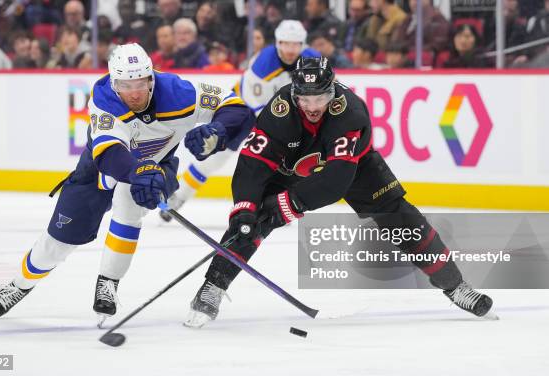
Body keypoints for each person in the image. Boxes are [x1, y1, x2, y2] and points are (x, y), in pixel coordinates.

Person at [183, 57, 495, 328]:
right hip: (290, 165)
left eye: (320, 98)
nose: (312, 107)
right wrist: (246, 206)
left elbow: (335, 181)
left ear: (332, 93)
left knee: (401, 218)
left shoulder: (350, 113)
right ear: (294, 93)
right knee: (251, 219)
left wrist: (286, 206)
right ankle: (213, 286)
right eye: (305, 99)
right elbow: (253, 163)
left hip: (354, 168)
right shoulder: (279, 111)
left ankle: (456, 286)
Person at [0, 43, 254, 326]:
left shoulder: (177, 92)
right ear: (114, 83)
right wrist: (139, 171)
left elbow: (235, 107)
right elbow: (110, 153)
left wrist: (217, 130)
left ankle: (109, 282)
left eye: (140, 83)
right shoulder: (103, 99)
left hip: (156, 167)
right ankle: (20, 284)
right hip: (101, 169)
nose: (134, 92)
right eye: (126, 85)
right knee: (58, 241)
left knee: (130, 205)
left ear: (152, 78)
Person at [158, 20, 320, 223]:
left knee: (282, 161)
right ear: (278, 43)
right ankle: (178, 197)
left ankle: (272, 203)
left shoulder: (313, 61)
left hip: (281, 113)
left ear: (302, 45)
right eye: (286, 43)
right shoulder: (264, 64)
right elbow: (256, 105)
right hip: (244, 109)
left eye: (295, 44)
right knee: (215, 157)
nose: (290, 49)